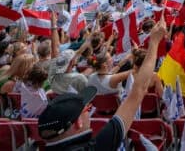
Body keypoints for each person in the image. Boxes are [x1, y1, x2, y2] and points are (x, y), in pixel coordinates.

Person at [38, 18, 167, 149]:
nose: (90, 108)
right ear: (78, 123)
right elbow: (138, 89)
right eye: (87, 109)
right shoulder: (98, 146)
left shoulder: (92, 77)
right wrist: (154, 42)